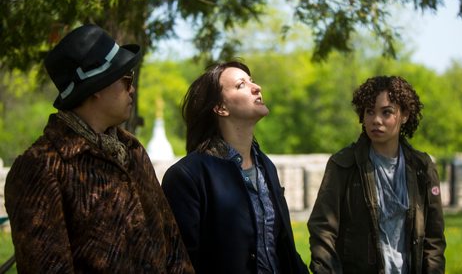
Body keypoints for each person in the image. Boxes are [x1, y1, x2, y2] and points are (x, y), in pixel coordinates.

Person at [5, 24, 194, 273]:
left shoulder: (131, 149)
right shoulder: (41, 166)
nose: (132, 89)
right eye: (126, 80)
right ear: (96, 87)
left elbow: (174, 248)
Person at [161, 61, 308, 274]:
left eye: (252, 81)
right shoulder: (187, 176)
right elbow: (180, 263)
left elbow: (284, 248)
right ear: (220, 108)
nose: (256, 88)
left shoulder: (266, 166)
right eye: (241, 85)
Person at [308, 75, 446, 274]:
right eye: (369, 112)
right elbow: (323, 229)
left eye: (386, 112)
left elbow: (434, 238)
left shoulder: (422, 167)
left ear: (404, 115)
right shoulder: (343, 165)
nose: (376, 120)